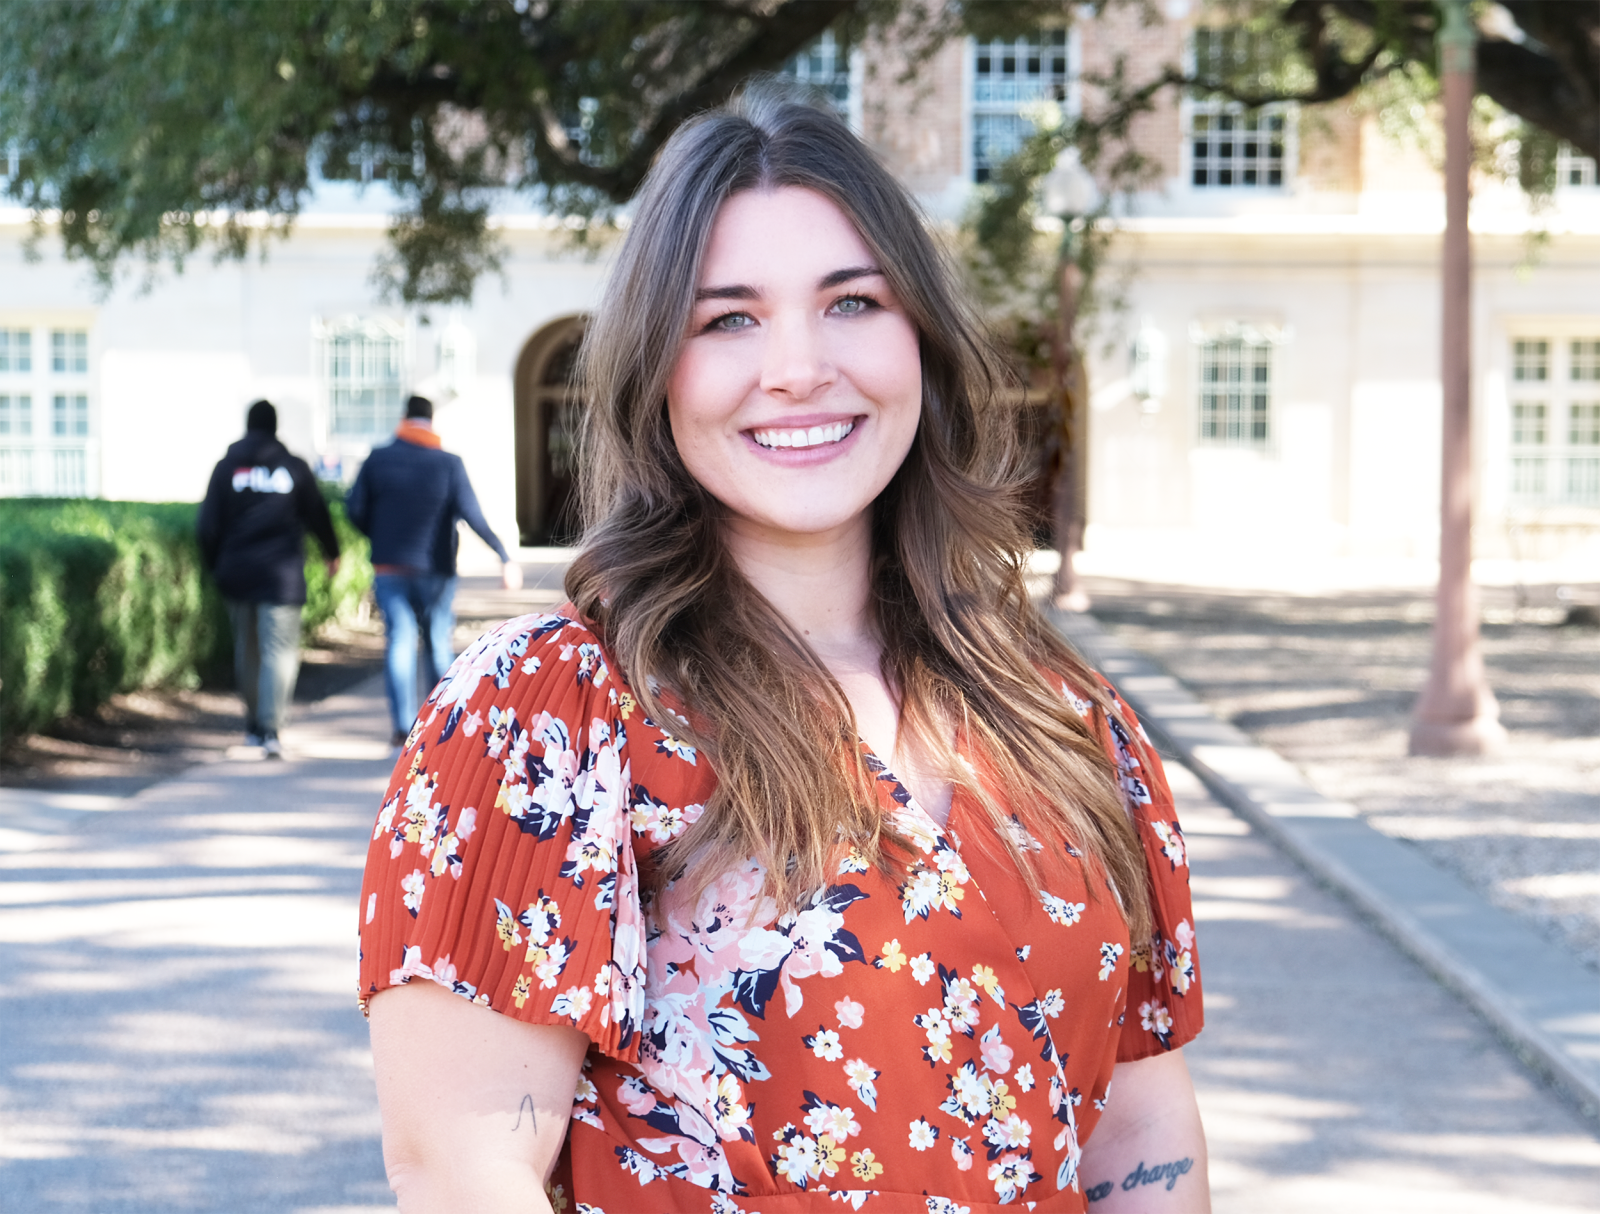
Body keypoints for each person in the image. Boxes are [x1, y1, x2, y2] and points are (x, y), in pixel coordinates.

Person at [357, 89, 1208, 1214]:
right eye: (729, 319)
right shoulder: (551, 716)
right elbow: (465, 1173)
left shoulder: (1061, 710)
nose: (799, 367)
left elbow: (1138, 1135)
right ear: (657, 370)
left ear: (922, 339)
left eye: (852, 301)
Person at [344, 394, 523, 747]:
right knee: (438, 642)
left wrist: (378, 535)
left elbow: (354, 508)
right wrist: (503, 555)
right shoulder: (448, 464)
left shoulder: (378, 460)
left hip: (390, 566)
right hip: (436, 568)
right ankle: (444, 723)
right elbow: (472, 514)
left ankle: (401, 727)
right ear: (431, 420)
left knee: (399, 640)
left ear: (403, 417)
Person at [198, 399, 340, 758]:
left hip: (237, 573)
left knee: (248, 651)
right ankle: (270, 729)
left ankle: (253, 728)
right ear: (275, 428)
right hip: (282, 577)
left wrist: (214, 565)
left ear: (247, 426)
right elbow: (318, 515)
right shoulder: (292, 468)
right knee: (279, 652)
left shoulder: (227, 468)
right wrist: (331, 551)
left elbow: (207, 526)